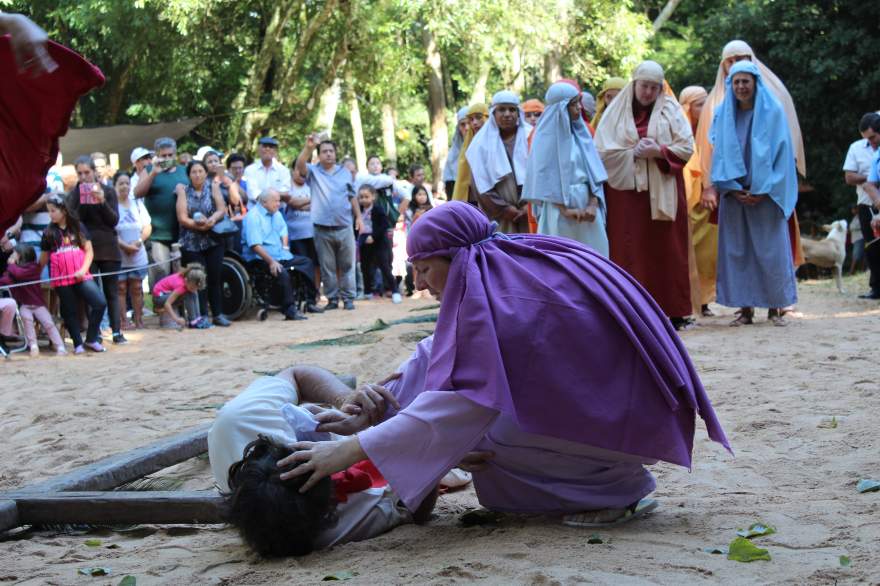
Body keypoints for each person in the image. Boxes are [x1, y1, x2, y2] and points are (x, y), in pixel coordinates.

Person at [277, 202, 730, 526]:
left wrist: (348, 450)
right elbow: (440, 352)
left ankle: (614, 494)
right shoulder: (499, 268)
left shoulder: (509, 300)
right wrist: (375, 406)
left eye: (424, 269)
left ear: (456, 258)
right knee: (465, 433)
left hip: (627, 423)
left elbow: (460, 404)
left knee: (486, 440)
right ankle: (606, 482)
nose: (418, 283)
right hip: (623, 413)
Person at [207, 367, 437, 556]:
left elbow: (297, 374)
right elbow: (419, 502)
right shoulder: (341, 523)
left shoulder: (239, 422)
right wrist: (386, 428)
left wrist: (345, 399)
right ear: (330, 503)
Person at [594, 61, 695, 329]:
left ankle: (672, 311)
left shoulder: (671, 110)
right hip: (627, 196)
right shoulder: (615, 112)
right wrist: (631, 153)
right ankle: (630, 309)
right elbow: (602, 151)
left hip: (665, 189)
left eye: (653, 87)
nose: (648, 93)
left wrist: (659, 151)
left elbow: (686, 146)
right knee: (630, 249)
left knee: (667, 250)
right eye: (644, 86)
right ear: (634, 84)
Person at [697, 40, 806, 271]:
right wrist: (713, 185)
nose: (736, 65)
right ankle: (744, 301)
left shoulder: (774, 95)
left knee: (772, 245)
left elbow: (785, 141)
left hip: (772, 185)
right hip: (733, 188)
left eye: (741, 59)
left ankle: (779, 302)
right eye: (731, 61)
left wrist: (773, 182)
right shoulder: (717, 103)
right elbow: (709, 148)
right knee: (738, 248)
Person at [709, 61, 798, 326]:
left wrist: (764, 189)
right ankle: (745, 309)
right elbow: (719, 155)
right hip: (734, 193)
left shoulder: (774, 113)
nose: (741, 87)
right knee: (738, 251)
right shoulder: (723, 113)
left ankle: (775, 307)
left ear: (755, 83)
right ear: (730, 85)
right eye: (736, 82)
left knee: (771, 250)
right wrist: (732, 188)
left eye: (745, 81)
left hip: (767, 194)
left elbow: (783, 157)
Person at [523, 80, 609, 256]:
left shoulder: (583, 135)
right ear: (560, 109)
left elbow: (594, 173)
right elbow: (544, 179)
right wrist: (565, 210)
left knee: (592, 259)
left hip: (587, 209)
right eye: (573, 104)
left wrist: (593, 204)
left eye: (578, 102)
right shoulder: (543, 140)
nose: (579, 108)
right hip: (558, 210)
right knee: (562, 259)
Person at [295, 136, 364, 311]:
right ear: (319, 155)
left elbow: (352, 196)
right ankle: (332, 299)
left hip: (345, 225)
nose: (328, 154)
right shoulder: (313, 172)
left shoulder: (345, 172)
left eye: (331, 151)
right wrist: (308, 147)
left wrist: (359, 218)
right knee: (328, 267)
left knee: (348, 265)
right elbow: (300, 165)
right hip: (321, 227)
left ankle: (348, 299)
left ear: (335, 153)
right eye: (324, 151)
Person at [67, 155, 125, 344]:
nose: (84, 177)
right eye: (80, 173)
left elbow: (114, 220)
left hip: (108, 247)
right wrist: (84, 201)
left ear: (94, 172)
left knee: (111, 291)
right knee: (92, 293)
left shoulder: (108, 191)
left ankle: (117, 331)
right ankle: (95, 333)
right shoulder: (74, 194)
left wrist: (101, 201)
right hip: (86, 248)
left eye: (87, 172)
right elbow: (74, 220)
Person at [40, 194, 107, 353]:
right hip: (62, 279)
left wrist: (83, 270)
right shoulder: (48, 232)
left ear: (63, 210)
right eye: (49, 211)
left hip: (81, 275)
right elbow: (42, 259)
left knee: (99, 303)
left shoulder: (78, 226)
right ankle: (77, 344)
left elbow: (89, 251)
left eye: (53, 210)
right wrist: (31, 272)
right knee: (69, 310)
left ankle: (91, 339)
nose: (50, 214)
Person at [242, 190, 320, 320]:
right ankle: (289, 310)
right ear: (265, 202)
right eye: (276, 201)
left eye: (279, 200)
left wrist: (284, 247)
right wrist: (271, 261)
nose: (279, 204)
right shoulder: (253, 217)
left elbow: (283, 231)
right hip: (260, 258)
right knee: (282, 271)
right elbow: (255, 245)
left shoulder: (276, 213)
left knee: (307, 263)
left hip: (279, 254)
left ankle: (310, 301)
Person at [465, 91, 531, 234]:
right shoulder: (480, 143)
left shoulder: (531, 136)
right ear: (493, 113)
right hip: (500, 216)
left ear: (518, 113)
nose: (507, 114)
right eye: (502, 109)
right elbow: (480, 185)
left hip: (531, 211)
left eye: (512, 109)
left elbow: (543, 173)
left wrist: (530, 205)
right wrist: (505, 209)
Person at [175, 160, 232, 327]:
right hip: (191, 242)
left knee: (215, 277)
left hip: (213, 239)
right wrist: (198, 225)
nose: (197, 174)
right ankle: (201, 316)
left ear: (206, 173)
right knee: (197, 279)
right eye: (194, 172)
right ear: (189, 175)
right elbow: (182, 217)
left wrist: (212, 220)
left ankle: (218, 314)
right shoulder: (183, 191)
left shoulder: (213, 187)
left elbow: (222, 209)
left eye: (200, 171)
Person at [679, 86, 718, 317]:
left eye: (705, 104)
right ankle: (688, 301)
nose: (704, 109)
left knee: (706, 254)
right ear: (687, 107)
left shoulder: (710, 128)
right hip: (685, 201)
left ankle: (704, 301)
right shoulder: (679, 129)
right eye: (698, 104)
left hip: (707, 201)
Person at [134, 137, 189, 290]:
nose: (167, 159)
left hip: (182, 234)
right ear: (157, 156)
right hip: (158, 235)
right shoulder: (149, 171)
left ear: (175, 155)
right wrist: (153, 174)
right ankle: (163, 312)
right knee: (162, 276)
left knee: (182, 277)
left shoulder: (184, 171)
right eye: (163, 156)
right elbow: (137, 193)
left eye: (170, 155)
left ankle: (181, 312)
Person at [0, 243, 66, 356]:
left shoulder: (33, 267)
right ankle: (33, 345)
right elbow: (5, 281)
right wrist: (7, 273)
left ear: (21, 255)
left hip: (38, 304)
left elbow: (20, 274)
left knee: (48, 323)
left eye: (14, 253)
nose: (12, 255)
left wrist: (11, 265)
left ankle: (60, 346)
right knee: (27, 320)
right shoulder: (14, 271)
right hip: (25, 305)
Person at [843, 113, 880, 297]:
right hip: (867, 203)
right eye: (866, 138)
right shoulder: (856, 148)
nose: (870, 142)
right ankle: (876, 287)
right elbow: (849, 177)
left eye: (873, 137)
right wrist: (872, 178)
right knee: (872, 246)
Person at [114, 171, 151, 330]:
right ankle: (123, 320)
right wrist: (124, 245)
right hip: (119, 254)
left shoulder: (137, 204)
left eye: (127, 183)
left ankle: (139, 318)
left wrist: (139, 241)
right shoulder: (112, 206)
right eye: (121, 183)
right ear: (114, 186)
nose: (124, 186)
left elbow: (147, 226)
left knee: (136, 287)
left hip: (137, 252)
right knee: (120, 287)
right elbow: (111, 231)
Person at [357, 185, 401, 303]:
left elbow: (384, 225)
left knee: (384, 266)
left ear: (373, 197)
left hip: (379, 241)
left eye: (366, 196)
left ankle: (395, 291)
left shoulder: (378, 209)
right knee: (365, 267)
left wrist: (374, 236)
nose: (363, 199)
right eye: (361, 197)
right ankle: (367, 292)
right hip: (364, 240)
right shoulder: (358, 210)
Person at [202, 149, 243, 252]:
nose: (213, 164)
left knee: (229, 251)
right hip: (207, 221)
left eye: (216, 161)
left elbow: (236, 201)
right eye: (210, 162)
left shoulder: (227, 177)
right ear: (204, 165)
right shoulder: (200, 178)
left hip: (226, 222)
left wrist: (229, 183)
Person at [452, 103, 489, 204]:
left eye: (478, 118)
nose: (474, 124)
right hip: (473, 199)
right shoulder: (468, 146)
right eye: (471, 120)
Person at [151, 264, 208, 329]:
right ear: (186, 280)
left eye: (196, 288)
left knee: (192, 292)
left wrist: (198, 316)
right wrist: (177, 319)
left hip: (166, 294)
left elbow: (194, 291)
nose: (194, 290)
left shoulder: (188, 281)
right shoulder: (181, 286)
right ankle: (193, 321)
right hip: (159, 298)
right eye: (192, 287)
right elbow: (167, 304)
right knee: (187, 293)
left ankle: (197, 318)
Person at [243, 137, 291, 206]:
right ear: (258, 149)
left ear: (275, 151)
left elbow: (286, 194)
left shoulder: (284, 170)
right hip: (255, 211)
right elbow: (253, 194)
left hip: (278, 211)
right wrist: (277, 195)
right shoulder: (250, 170)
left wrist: (264, 195)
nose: (267, 149)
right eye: (264, 146)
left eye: (271, 147)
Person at [442, 107, 470, 197]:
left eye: (469, 123)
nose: (467, 128)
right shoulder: (453, 155)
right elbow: (450, 187)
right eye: (463, 124)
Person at [848, 205, 865, 274]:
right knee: (860, 255)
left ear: (857, 209)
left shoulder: (861, 217)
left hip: (860, 238)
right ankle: (862, 270)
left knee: (855, 255)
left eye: (854, 209)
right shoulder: (854, 218)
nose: (852, 211)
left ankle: (851, 272)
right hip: (855, 239)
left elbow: (857, 227)